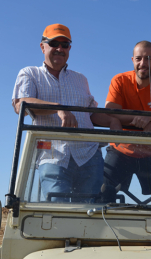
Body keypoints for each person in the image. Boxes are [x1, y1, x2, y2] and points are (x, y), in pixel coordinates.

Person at [12, 24, 122, 203]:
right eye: (54, 43)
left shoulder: (80, 79)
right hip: (52, 156)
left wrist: (113, 120)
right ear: (43, 47)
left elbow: (90, 114)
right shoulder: (29, 73)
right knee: (57, 213)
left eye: (65, 45)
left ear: (69, 48)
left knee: (89, 214)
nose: (59, 49)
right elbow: (21, 104)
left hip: (88, 156)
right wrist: (59, 108)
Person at [104, 41, 151, 205]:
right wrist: (146, 120)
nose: (143, 63)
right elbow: (110, 112)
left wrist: (149, 119)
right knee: (104, 194)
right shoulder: (119, 80)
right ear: (132, 60)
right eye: (138, 59)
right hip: (121, 149)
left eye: (148, 58)